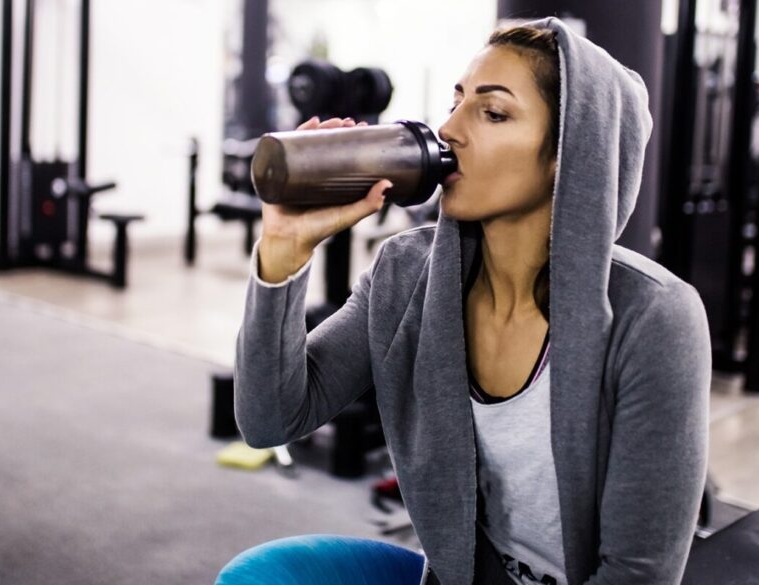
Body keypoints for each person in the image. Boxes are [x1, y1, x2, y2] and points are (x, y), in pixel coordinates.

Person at [219, 17, 711, 585]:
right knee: (259, 576)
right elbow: (269, 419)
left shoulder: (655, 317)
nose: (449, 129)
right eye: (457, 101)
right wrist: (283, 252)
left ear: (567, 154)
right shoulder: (408, 274)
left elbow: (636, 576)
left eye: (493, 112)